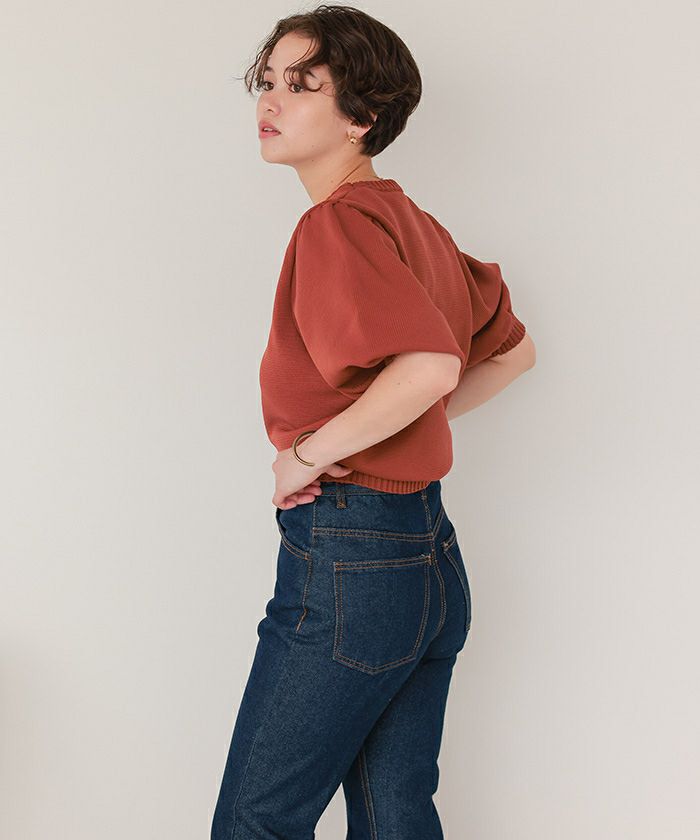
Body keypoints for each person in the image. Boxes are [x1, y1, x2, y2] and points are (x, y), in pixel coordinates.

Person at [211, 5, 536, 839]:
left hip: (352, 557)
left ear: (361, 116)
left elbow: (430, 368)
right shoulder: (413, 225)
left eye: (302, 85)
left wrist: (308, 453)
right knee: (395, 818)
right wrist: (392, 421)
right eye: (267, 81)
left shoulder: (337, 224)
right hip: (428, 560)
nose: (270, 101)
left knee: (255, 820)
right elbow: (510, 354)